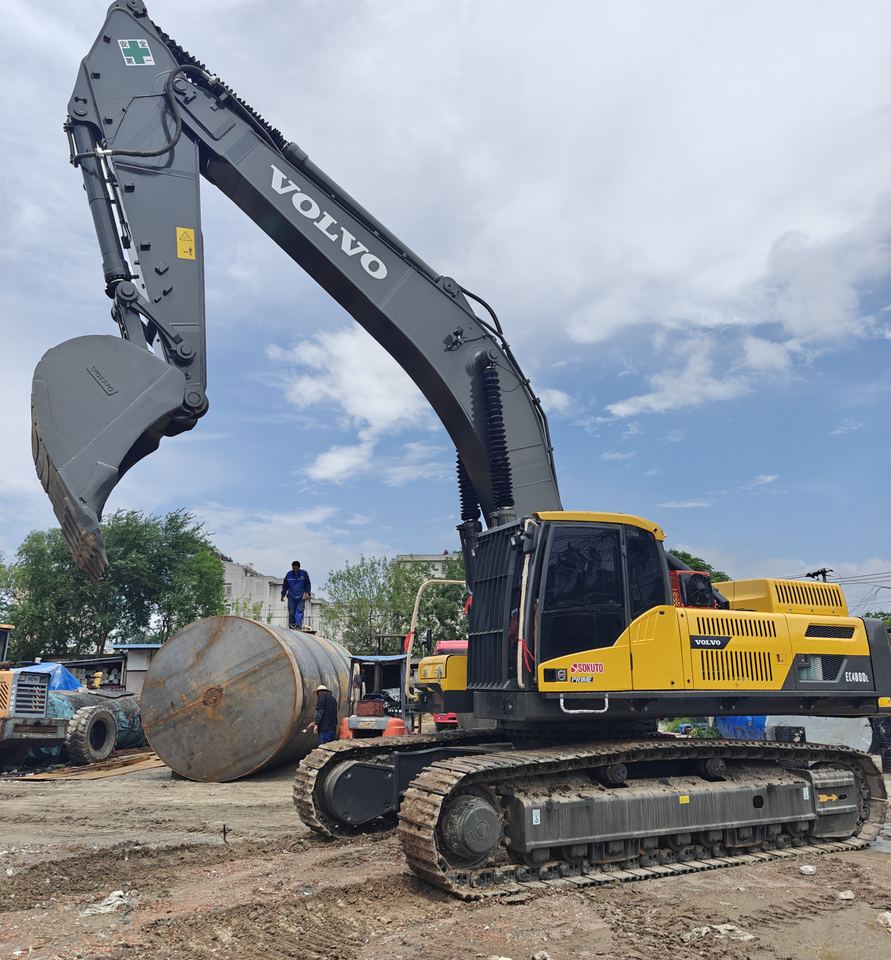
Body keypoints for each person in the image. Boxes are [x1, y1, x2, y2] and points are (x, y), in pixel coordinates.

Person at [280, 560, 311, 630]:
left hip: (301, 596)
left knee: (299, 611)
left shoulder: (304, 573)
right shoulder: (288, 574)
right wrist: (282, 595)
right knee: (291, 612)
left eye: (296, 568)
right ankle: (292, 625)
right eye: (293, 568)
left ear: (299, 567)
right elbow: (285, 585)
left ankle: (298, 626)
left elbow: (308, 584)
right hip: (291, 596)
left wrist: (307, 592)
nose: (294, 570)